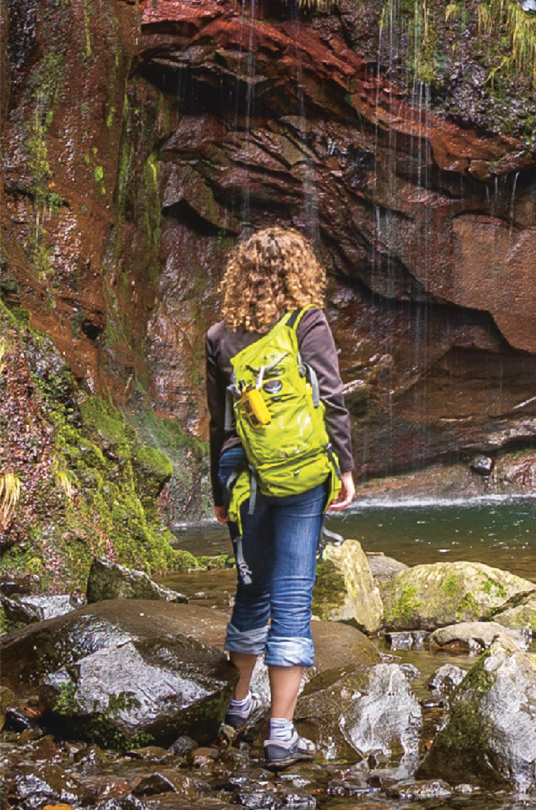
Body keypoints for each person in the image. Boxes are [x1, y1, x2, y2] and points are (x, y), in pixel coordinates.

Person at [206, 228, 356, 769]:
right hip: (298, 470)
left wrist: (218, 490)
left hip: (239, 473)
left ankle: (237, 708)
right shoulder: (306, 322)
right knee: (293, 594)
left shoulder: (219, 336)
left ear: (239, 276)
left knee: (251, 589)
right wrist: (345, 467)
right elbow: (330, 396)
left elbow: (219, 424)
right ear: (300, 272)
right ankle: (280, 735)